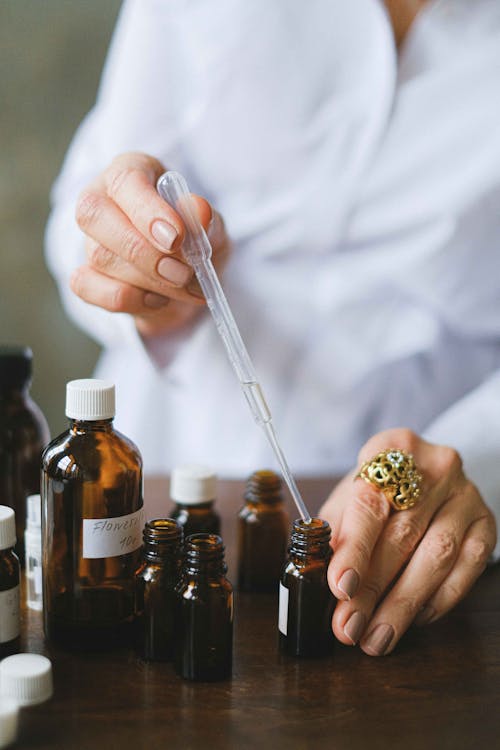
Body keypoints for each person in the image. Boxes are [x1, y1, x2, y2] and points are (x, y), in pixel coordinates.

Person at [45, 0, 500, 656]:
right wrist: (139, 279)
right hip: (178, 458)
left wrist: (477, 454)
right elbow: (76, 225)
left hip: (427, 528)